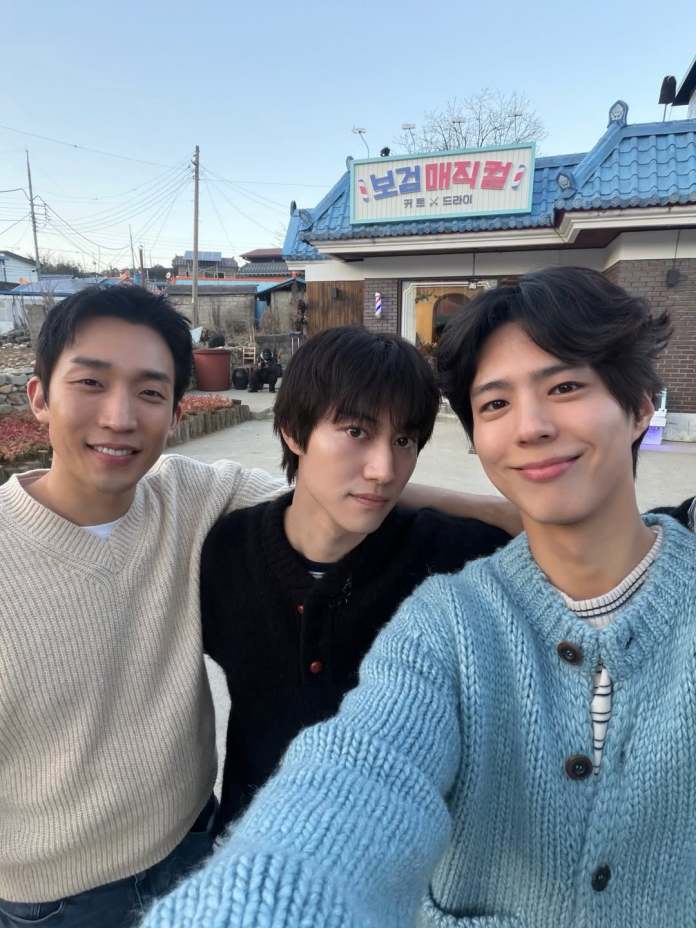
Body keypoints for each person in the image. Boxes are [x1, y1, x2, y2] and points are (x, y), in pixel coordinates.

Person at [141, 267, 696, 928]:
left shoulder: (446, 552)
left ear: (639, 407)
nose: (532, 426)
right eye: (495, 404)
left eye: (566, 386)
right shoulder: (442, 622)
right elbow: (365, 770)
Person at [0, 285, 516, 928]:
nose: (119, 417)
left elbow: (337, 489)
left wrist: (510, 513)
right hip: (55, 898)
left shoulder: (189, 500)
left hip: (196, 843)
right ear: (39, 398)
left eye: (151, 392)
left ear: (176, 409)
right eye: (91, 384)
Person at [201, 326, 510, 832]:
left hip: (399, 862)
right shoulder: (224, 553)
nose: (384, 469)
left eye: (405, 439)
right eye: (357, 432)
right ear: (293, 432)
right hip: (249, 841)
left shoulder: (456, 557)